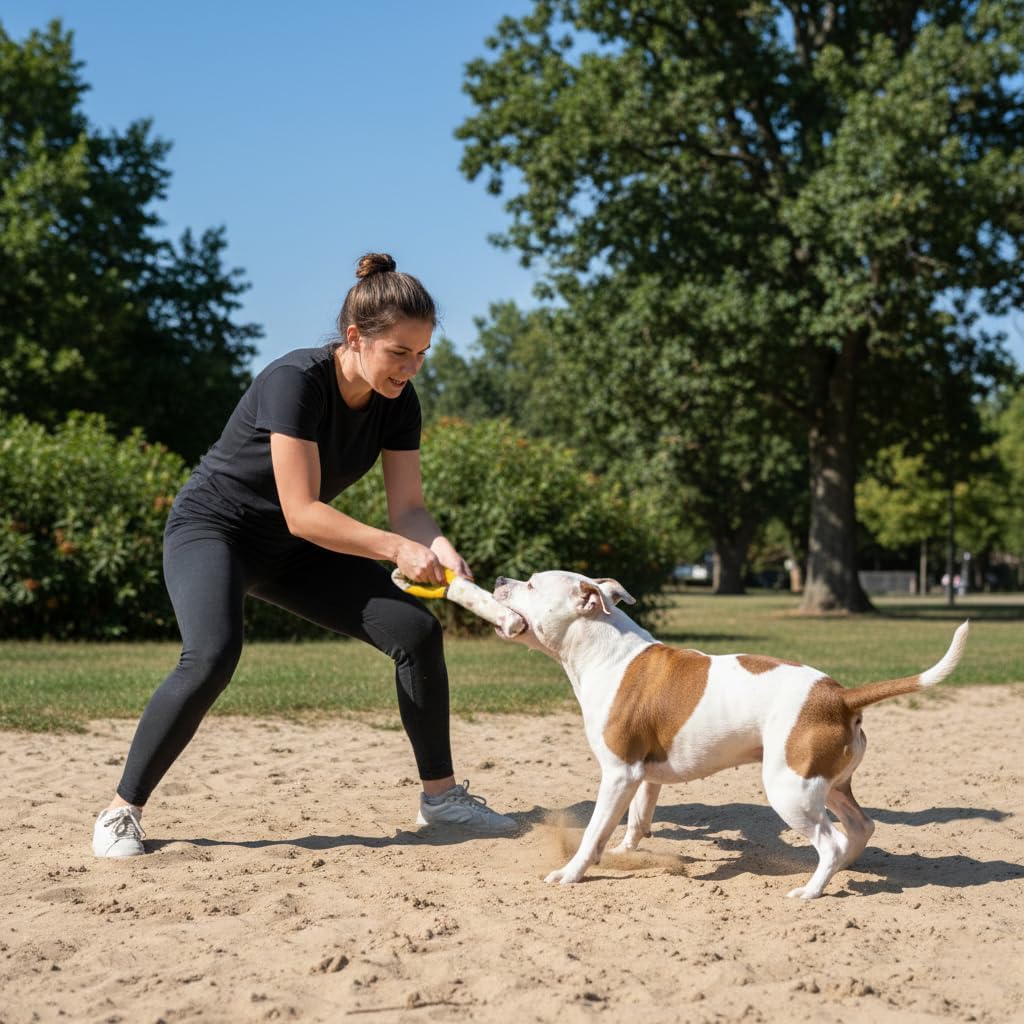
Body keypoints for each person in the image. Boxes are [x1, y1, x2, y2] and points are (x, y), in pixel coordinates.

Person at [92, 253, 516, 857]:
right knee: (212, 654)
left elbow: (411, 511)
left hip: (294, 550)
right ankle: (120, 810)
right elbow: (304, 510)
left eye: (421, 354)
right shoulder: (295, 380)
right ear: (354, 338)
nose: (410, 368)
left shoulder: (400, 402)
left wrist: (438, 548)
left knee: (415, 631)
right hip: (215, 530)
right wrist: (398, 549)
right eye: (399, 352)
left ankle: (441, 799)